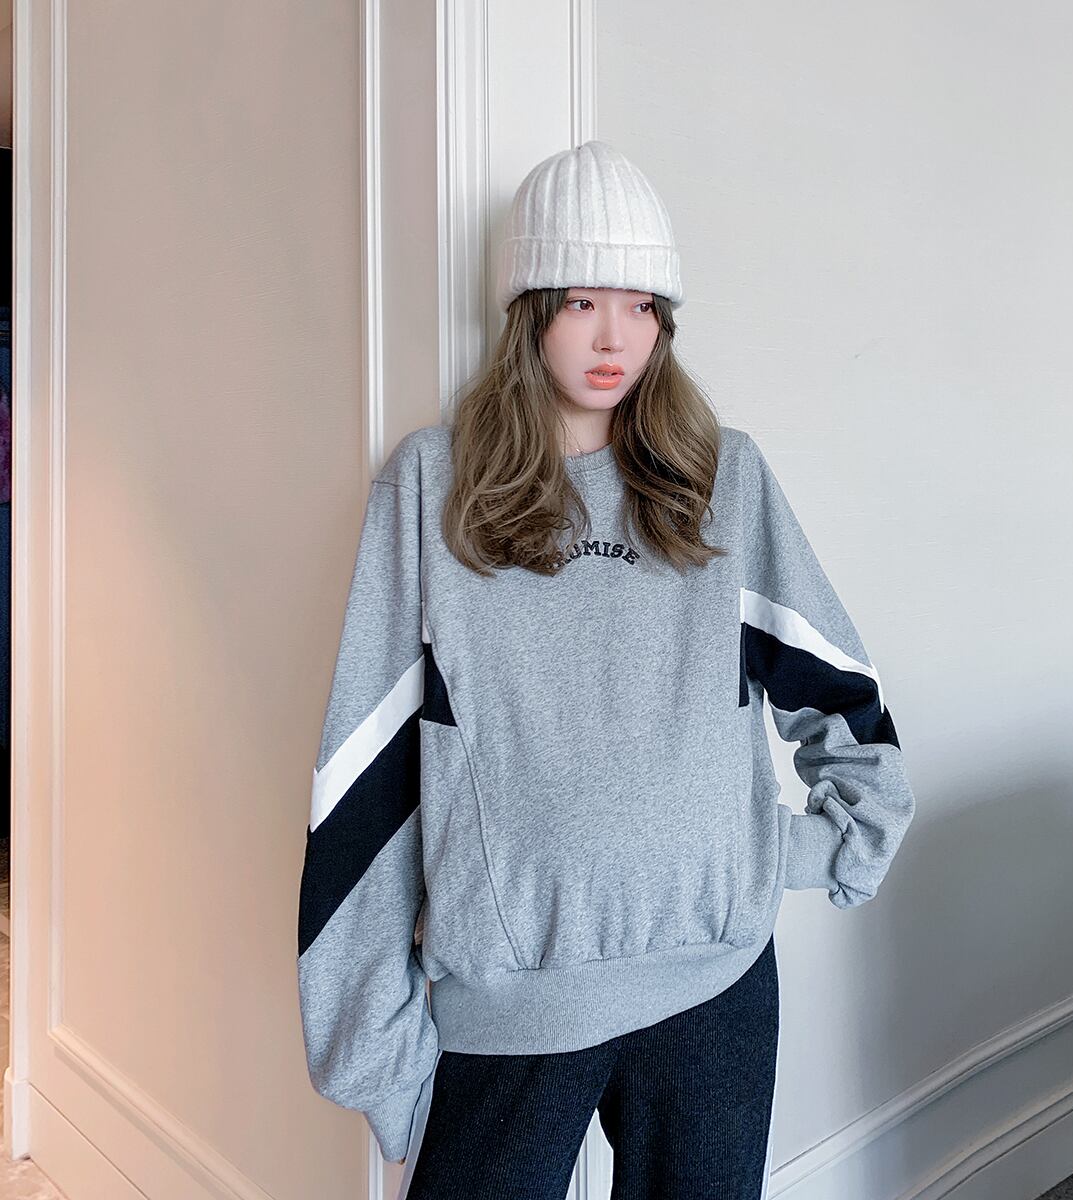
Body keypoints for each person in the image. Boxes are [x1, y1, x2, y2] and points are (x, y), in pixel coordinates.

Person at [296, 140, 917, 1200]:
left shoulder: (722, 480)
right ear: (530, 309)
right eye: (582, 301)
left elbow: (841, 699)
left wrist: (777, 849)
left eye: (642, 306)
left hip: (716, 994)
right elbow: (364, 775)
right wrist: (378, 1051)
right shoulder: (433, 488)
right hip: (511, 1009)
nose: (613, 337)